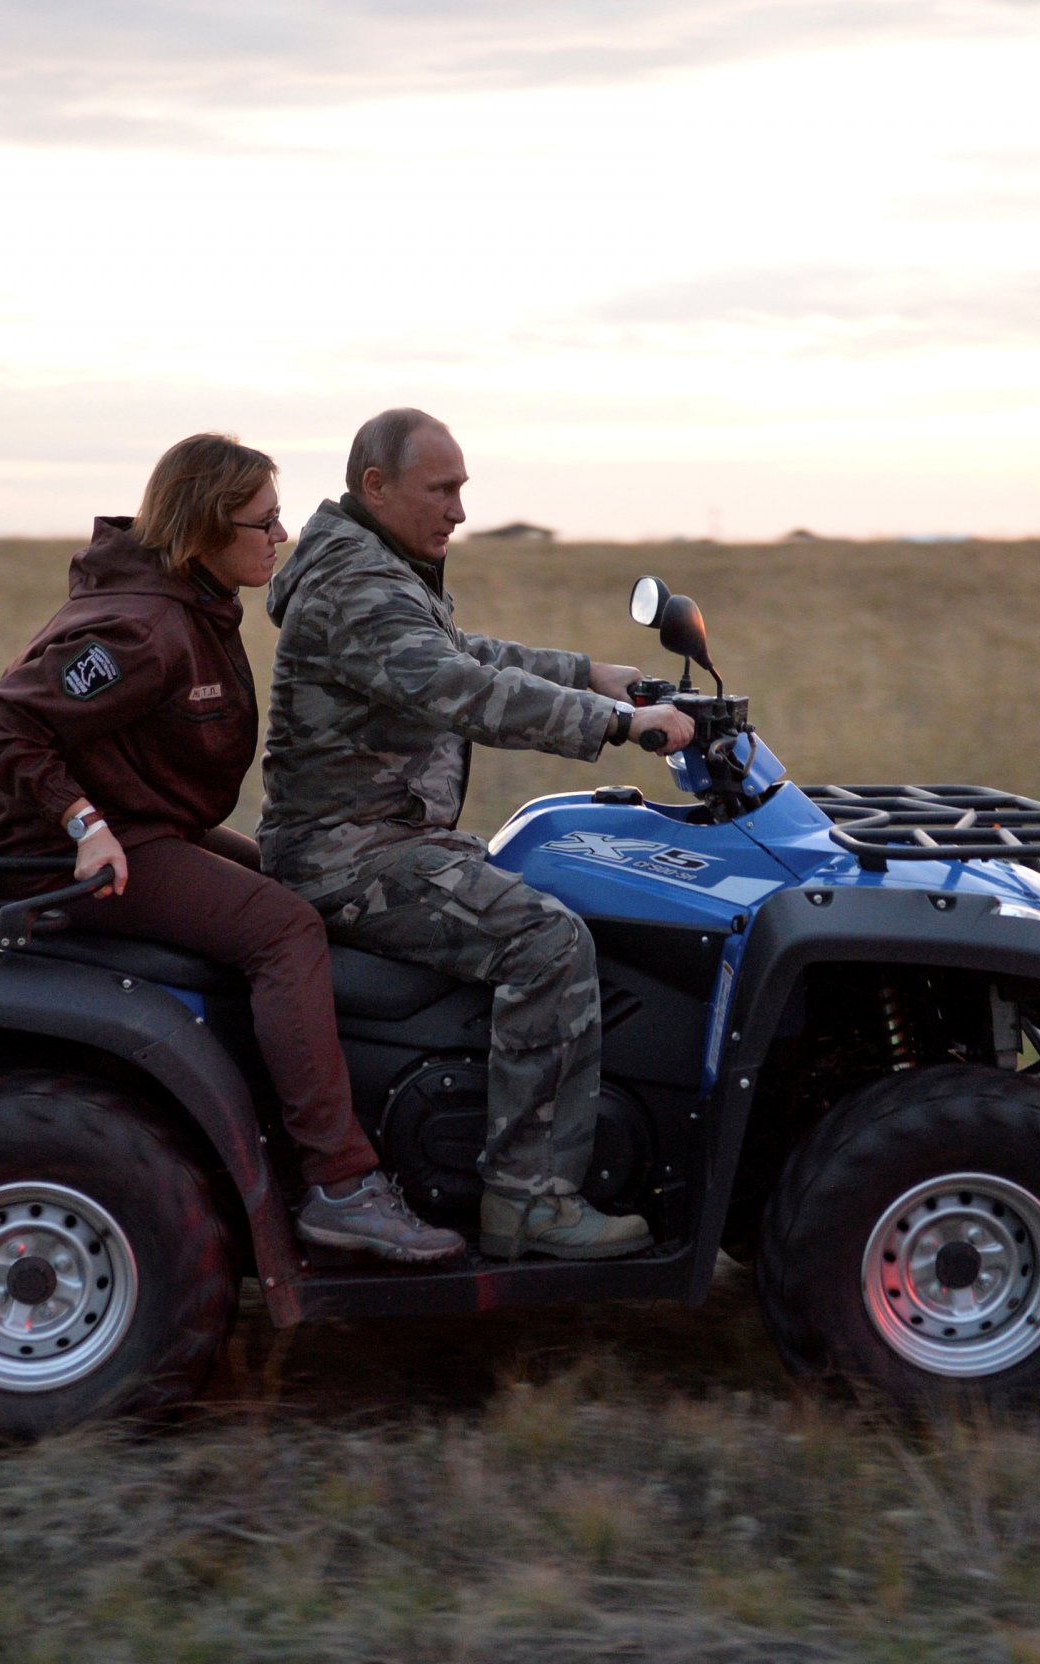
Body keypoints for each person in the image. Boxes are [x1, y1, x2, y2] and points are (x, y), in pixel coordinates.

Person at [0, 433, 464, 1265]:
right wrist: (82, 826)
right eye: (263, 524)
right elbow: (4, 722)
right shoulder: (142, 626)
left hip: (149, 823)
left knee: (289, 878)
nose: (280, 539)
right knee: (284, 928)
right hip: (87, 849)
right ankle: (342, 1185)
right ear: (205, 526)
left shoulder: (185, 596)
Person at [257, 409, 697, 1261]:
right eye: (443, 489)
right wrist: (619, 723)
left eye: (463, 488)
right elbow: (460, 687)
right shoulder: (356, 582)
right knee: (547, 941)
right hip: (349, 855)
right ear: (375, 487)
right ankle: (528, 1197)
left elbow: (456, 648)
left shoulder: (377, 565)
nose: (459, 509)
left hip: (378, 835)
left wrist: (589, 672)